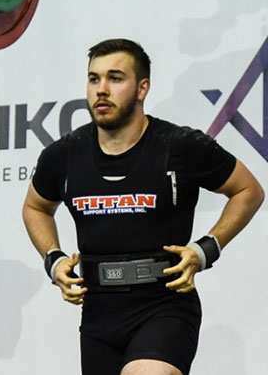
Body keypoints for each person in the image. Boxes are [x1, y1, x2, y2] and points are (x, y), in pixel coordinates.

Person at [21, 38, 263, 375]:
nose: (101, 90)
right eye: (94, 79)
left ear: (142, 88)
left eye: (115, 78)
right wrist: (53, 258)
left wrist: (207, 248)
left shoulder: (180, 145)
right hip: (98, 315)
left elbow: (248, 190)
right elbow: (35, 207)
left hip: (165, 306)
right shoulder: (63, 155)